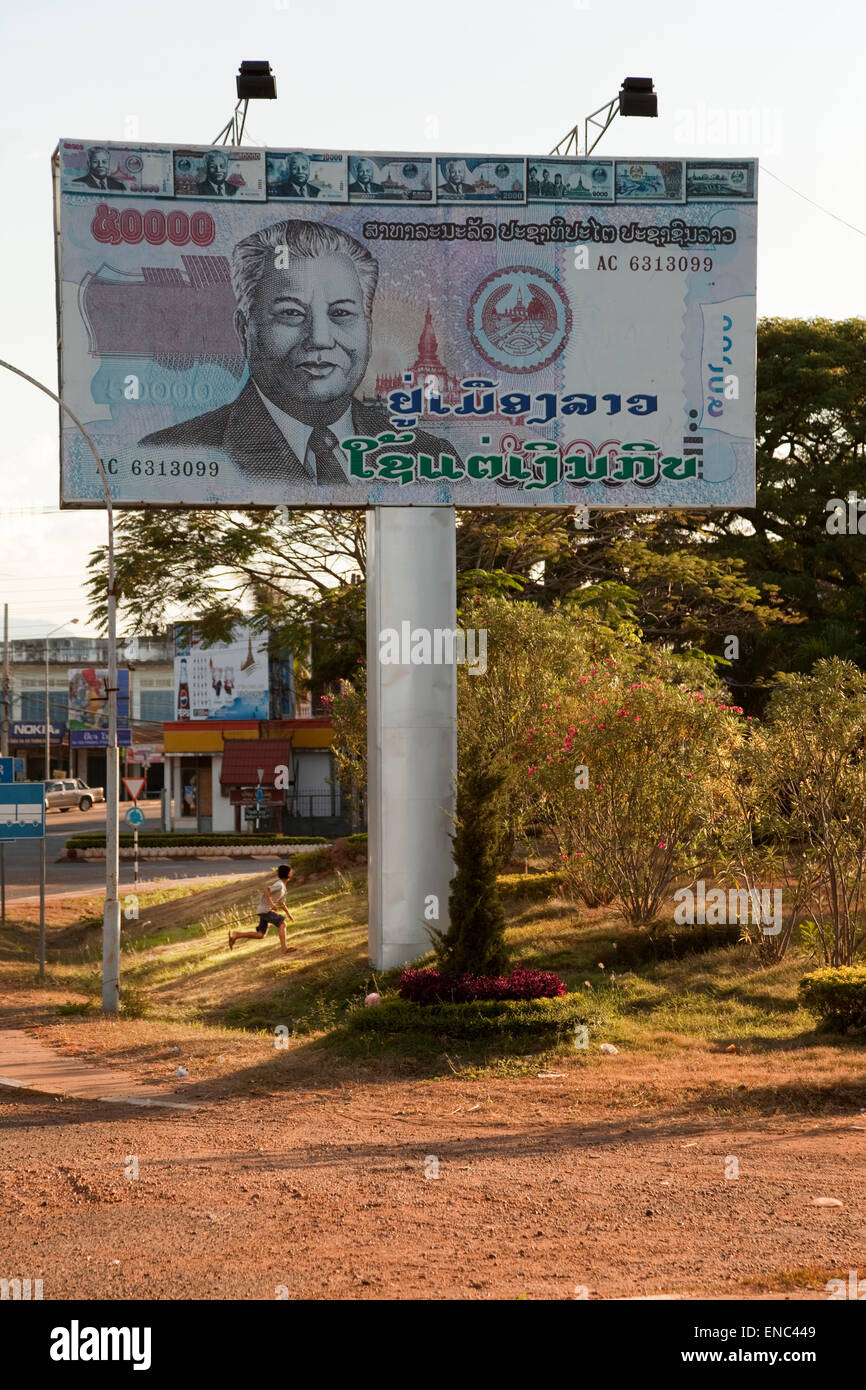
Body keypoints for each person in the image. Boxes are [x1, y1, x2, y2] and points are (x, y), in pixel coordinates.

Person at [139, 218, 462, 484]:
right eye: (291, 313)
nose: (320, 338)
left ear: (368, 328)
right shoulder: (176, 452)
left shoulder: (430, 460)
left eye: (341, 313)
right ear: (244, 329)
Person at [229, 863, 295, 953]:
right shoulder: (279, 885)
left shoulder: (283, 887)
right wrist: (271, 904)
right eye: (291, 872)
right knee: (282, 924)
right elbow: (267, 891)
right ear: (288, 874)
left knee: (260, 935)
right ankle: (284, 949)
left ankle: (237, 934)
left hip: (264, 910)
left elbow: (282, 903)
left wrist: (289, 914)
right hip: (265, 910)